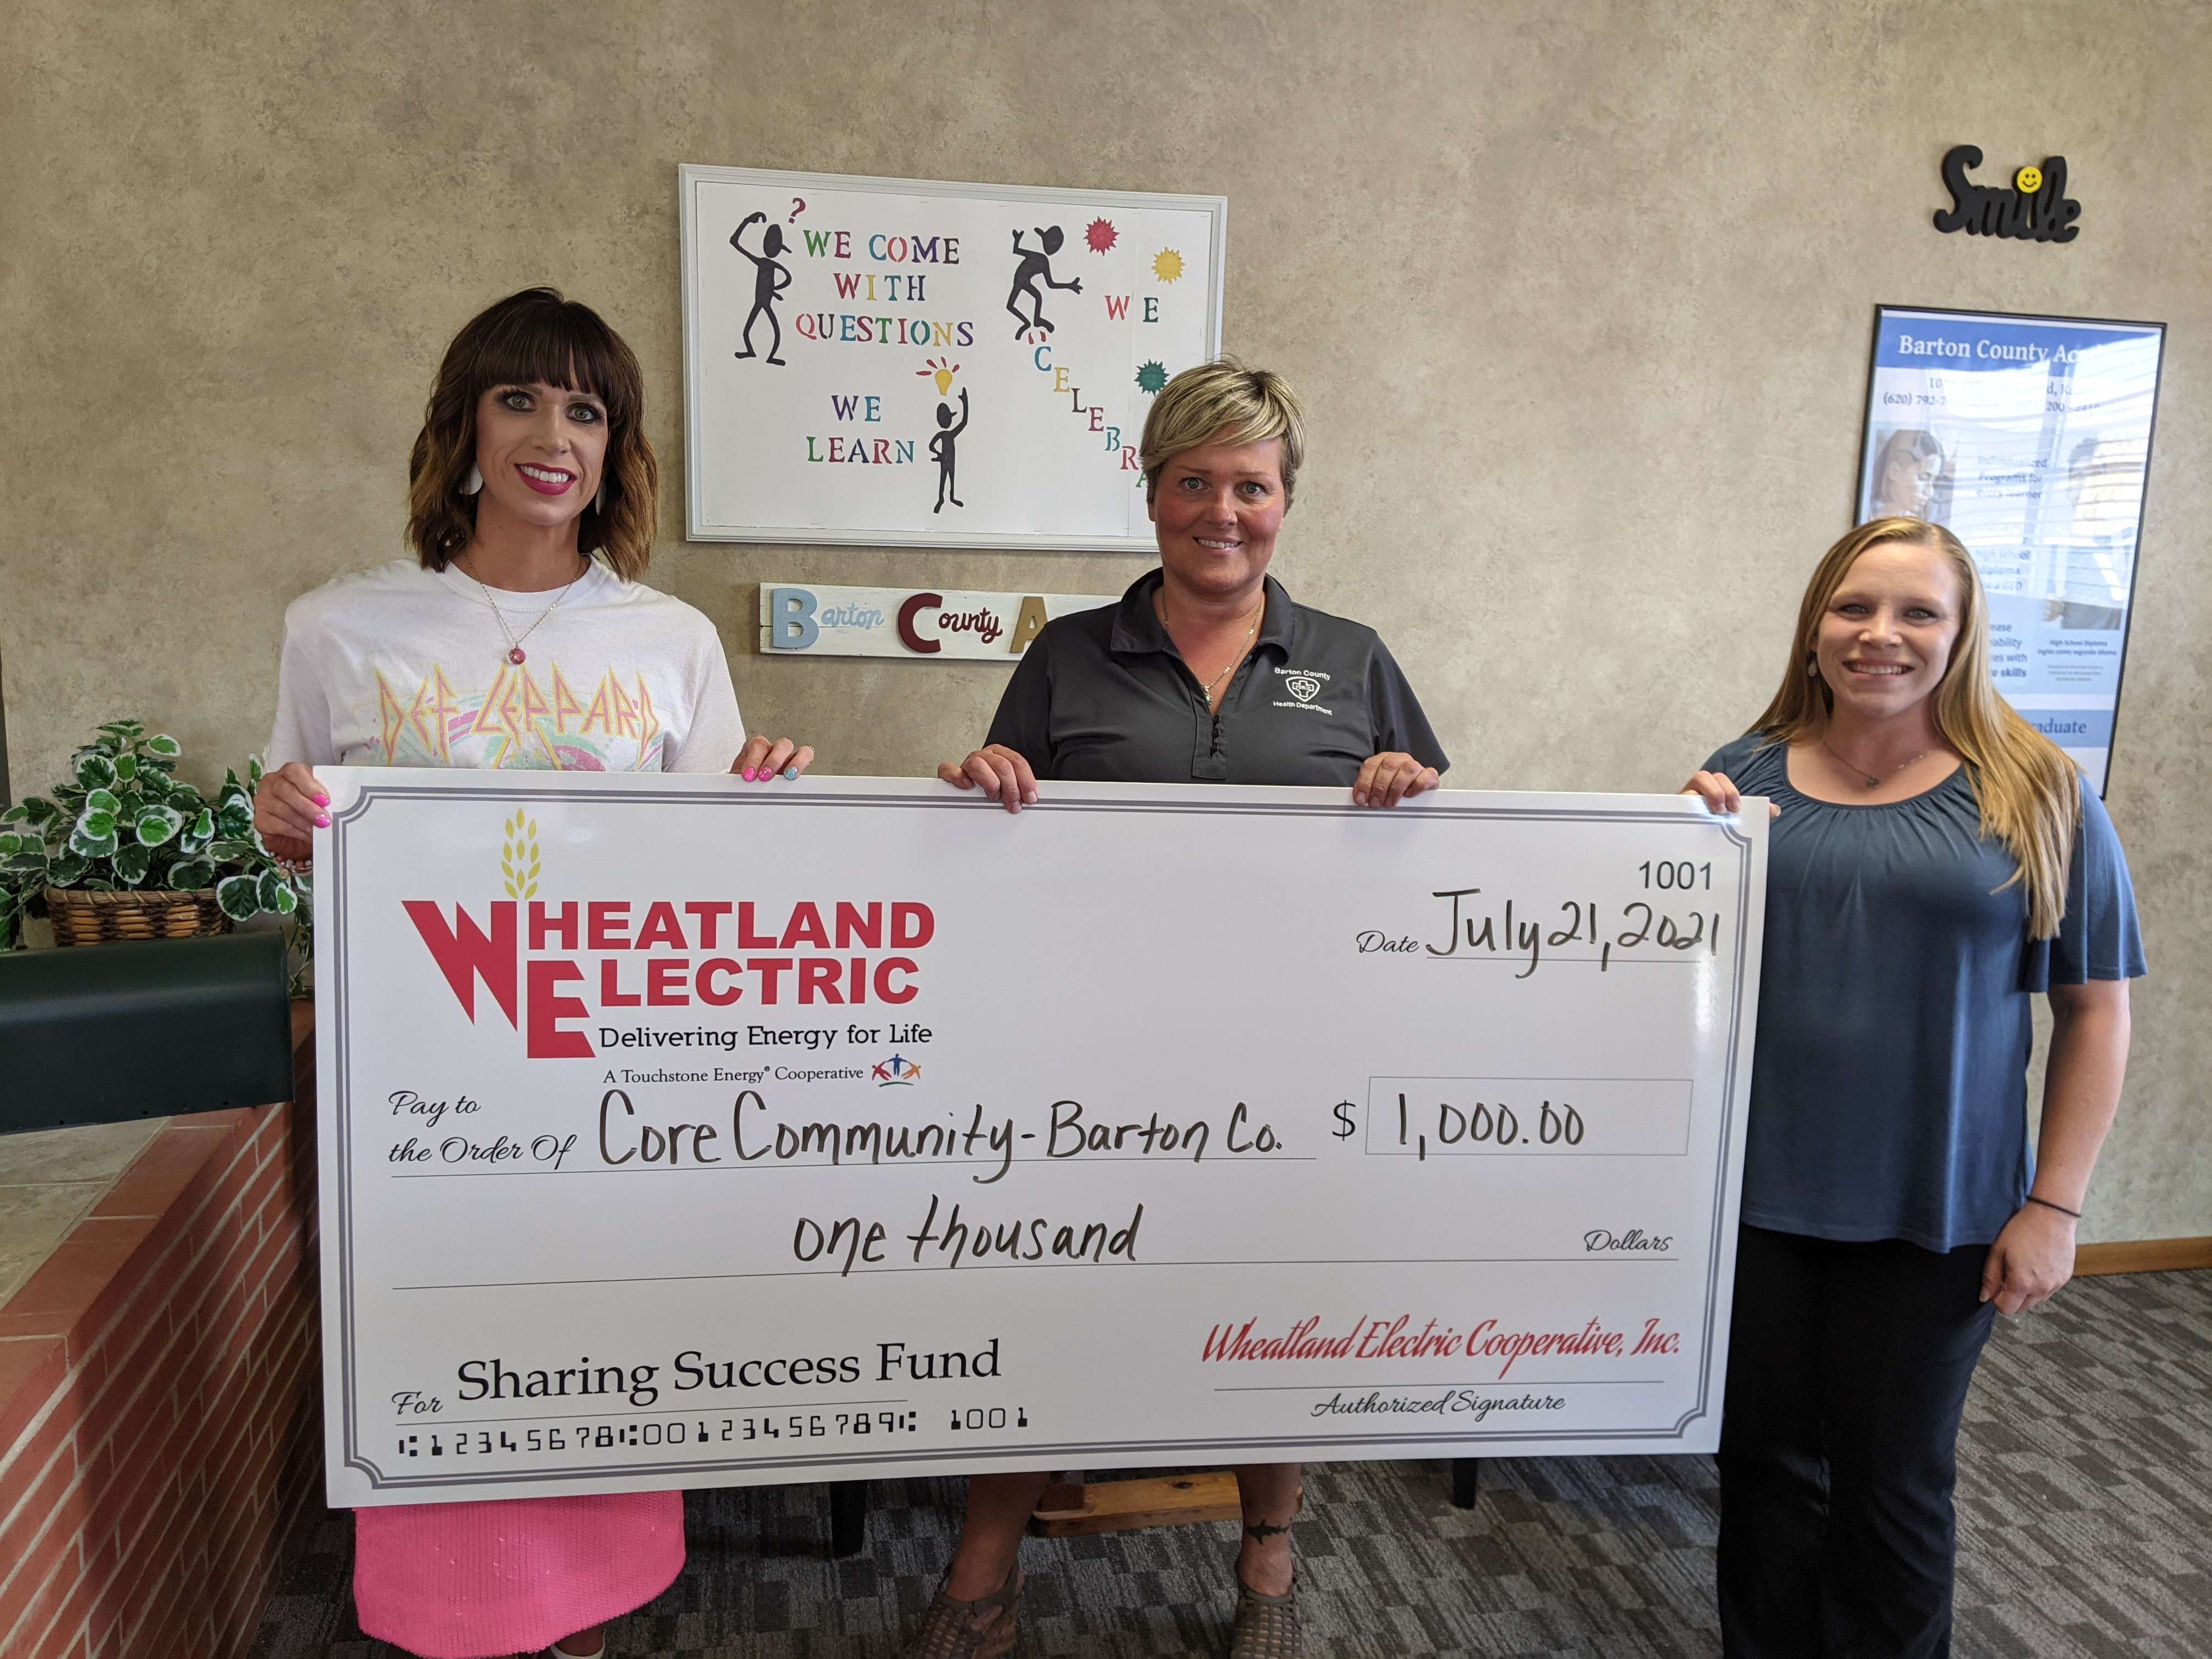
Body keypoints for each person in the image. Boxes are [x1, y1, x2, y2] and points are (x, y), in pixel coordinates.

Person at [255, 287, 813, 1659]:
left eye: (584, 406)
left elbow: (706, 877)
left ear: (614, 446)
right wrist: (276, 827)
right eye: (519, 399)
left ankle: (583, 1624)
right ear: (463, 429)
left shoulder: (669, 639)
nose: (551, 433)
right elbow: (308, 842)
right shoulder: (341, 627)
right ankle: (451, 1618)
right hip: (419, 1076)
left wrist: (768, 801)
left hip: (607, 1076)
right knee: (443, 1350)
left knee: (592, 1349)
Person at [915, 358, 1449, 1659]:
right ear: (1150, 491)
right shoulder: (1066, 653)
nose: (1223, 510)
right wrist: (988, 774)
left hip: (1295, 1051)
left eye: (1251, 486)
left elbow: (1434, 849)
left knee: (1275, 1299)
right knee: (1051, 1296)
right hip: (1089, 1050)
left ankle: (1268, 1558)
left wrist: (1405, 785)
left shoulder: (1353, 658)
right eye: (1192, 481)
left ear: (1287, 500)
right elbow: (1005, 836)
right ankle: (983, 1569)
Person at [1682, 516, 2142, 1658]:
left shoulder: (2039, 793)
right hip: (1751, 1203)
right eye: (1853, 608)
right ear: (1815, 626)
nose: (1878, 635)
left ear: (1962, 633)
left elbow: (2096, 1011)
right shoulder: (1735, 781)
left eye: (1916, 612)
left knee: (1893, 1484)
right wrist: (1665, 848)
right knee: (1764, 1471)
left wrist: (2057, 1206)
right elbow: (1668, 981)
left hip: (1934, 1214)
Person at [1867, 427, 1945, 522]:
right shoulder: (1866, 514)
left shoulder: (1921, 526)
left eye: (1934, 481)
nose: (1930, 492)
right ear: (1894, 471)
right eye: (1923, 477)